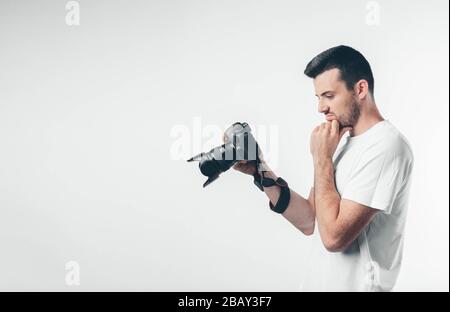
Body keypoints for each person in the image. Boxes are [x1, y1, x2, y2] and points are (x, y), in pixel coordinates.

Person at [231, 45, 414, 291]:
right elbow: (308, 219)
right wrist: (260, 170)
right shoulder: (340, 141)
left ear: (360, 89)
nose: (321, 108)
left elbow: (334, 238)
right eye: (318, 98)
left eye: (329, 96)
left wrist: (322, 159)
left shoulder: (386, 146)